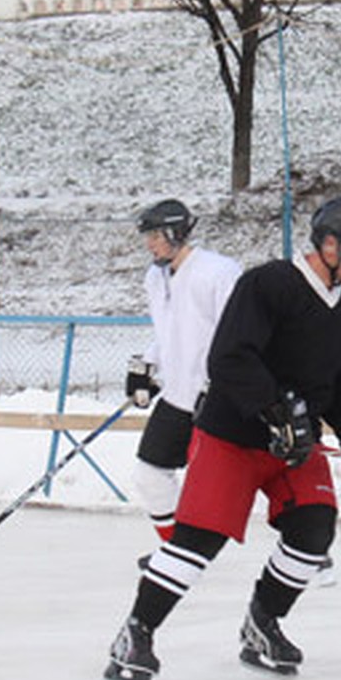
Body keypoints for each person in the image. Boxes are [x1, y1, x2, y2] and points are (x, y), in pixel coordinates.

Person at [104, 194, 341, 680]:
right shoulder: (268, 285)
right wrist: (276, 409)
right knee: (198, 543)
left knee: (313, 532)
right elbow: (228, 360)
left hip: (294, 443)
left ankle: (262, 623)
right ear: (328, 245)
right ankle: (136, 632)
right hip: (233, 434)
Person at [126, 199, 242, 545]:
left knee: (245, 479)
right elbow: (169, 331)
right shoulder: (155, 277)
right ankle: (175, 552)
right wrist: (147, 365)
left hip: (217, 400)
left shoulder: (219, 272)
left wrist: (220, 384)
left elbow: (236, 333)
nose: (149, 244)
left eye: (155, 236)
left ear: (176, 233)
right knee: (150, 474)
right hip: (178, 397)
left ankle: (307, 541)